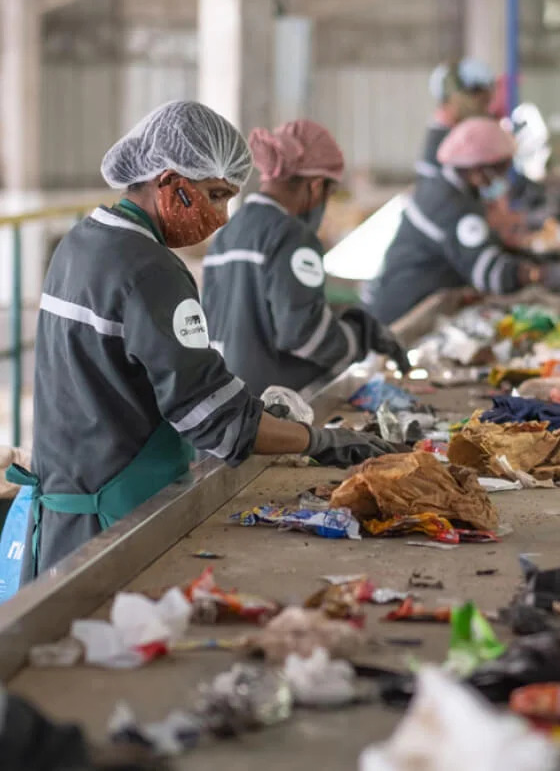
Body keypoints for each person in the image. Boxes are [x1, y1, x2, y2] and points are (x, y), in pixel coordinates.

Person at [9, 101, 395, 582]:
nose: (220, 216)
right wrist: (322, 440)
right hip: (116, 523)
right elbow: (220, 422)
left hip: (67, 515)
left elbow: (149, 377)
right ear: (171, 185)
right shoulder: (150, 270)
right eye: (214, 195)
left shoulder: (80, 244)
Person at [201, 119, 409, 395]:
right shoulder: (292, 235)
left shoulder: (230, 229)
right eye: (330, 193)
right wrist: (359, 337)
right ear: (315, 186)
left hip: (229, 395)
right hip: (276, 405)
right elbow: (304, 336)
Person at [367, 117, 560, 326]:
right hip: (402, 316)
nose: (502, 178)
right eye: (500, 169)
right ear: (478, 168)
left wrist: (540, 259)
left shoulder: (449, 188)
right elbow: (489, 273)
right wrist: (543, 274)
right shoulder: (452, 205)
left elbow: (487, 246)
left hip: (413, 303)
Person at [416, 57, 496, 179]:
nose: (485, 110)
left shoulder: (456, 133)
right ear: (456, 97)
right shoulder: (444, 139)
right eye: (481, 101)